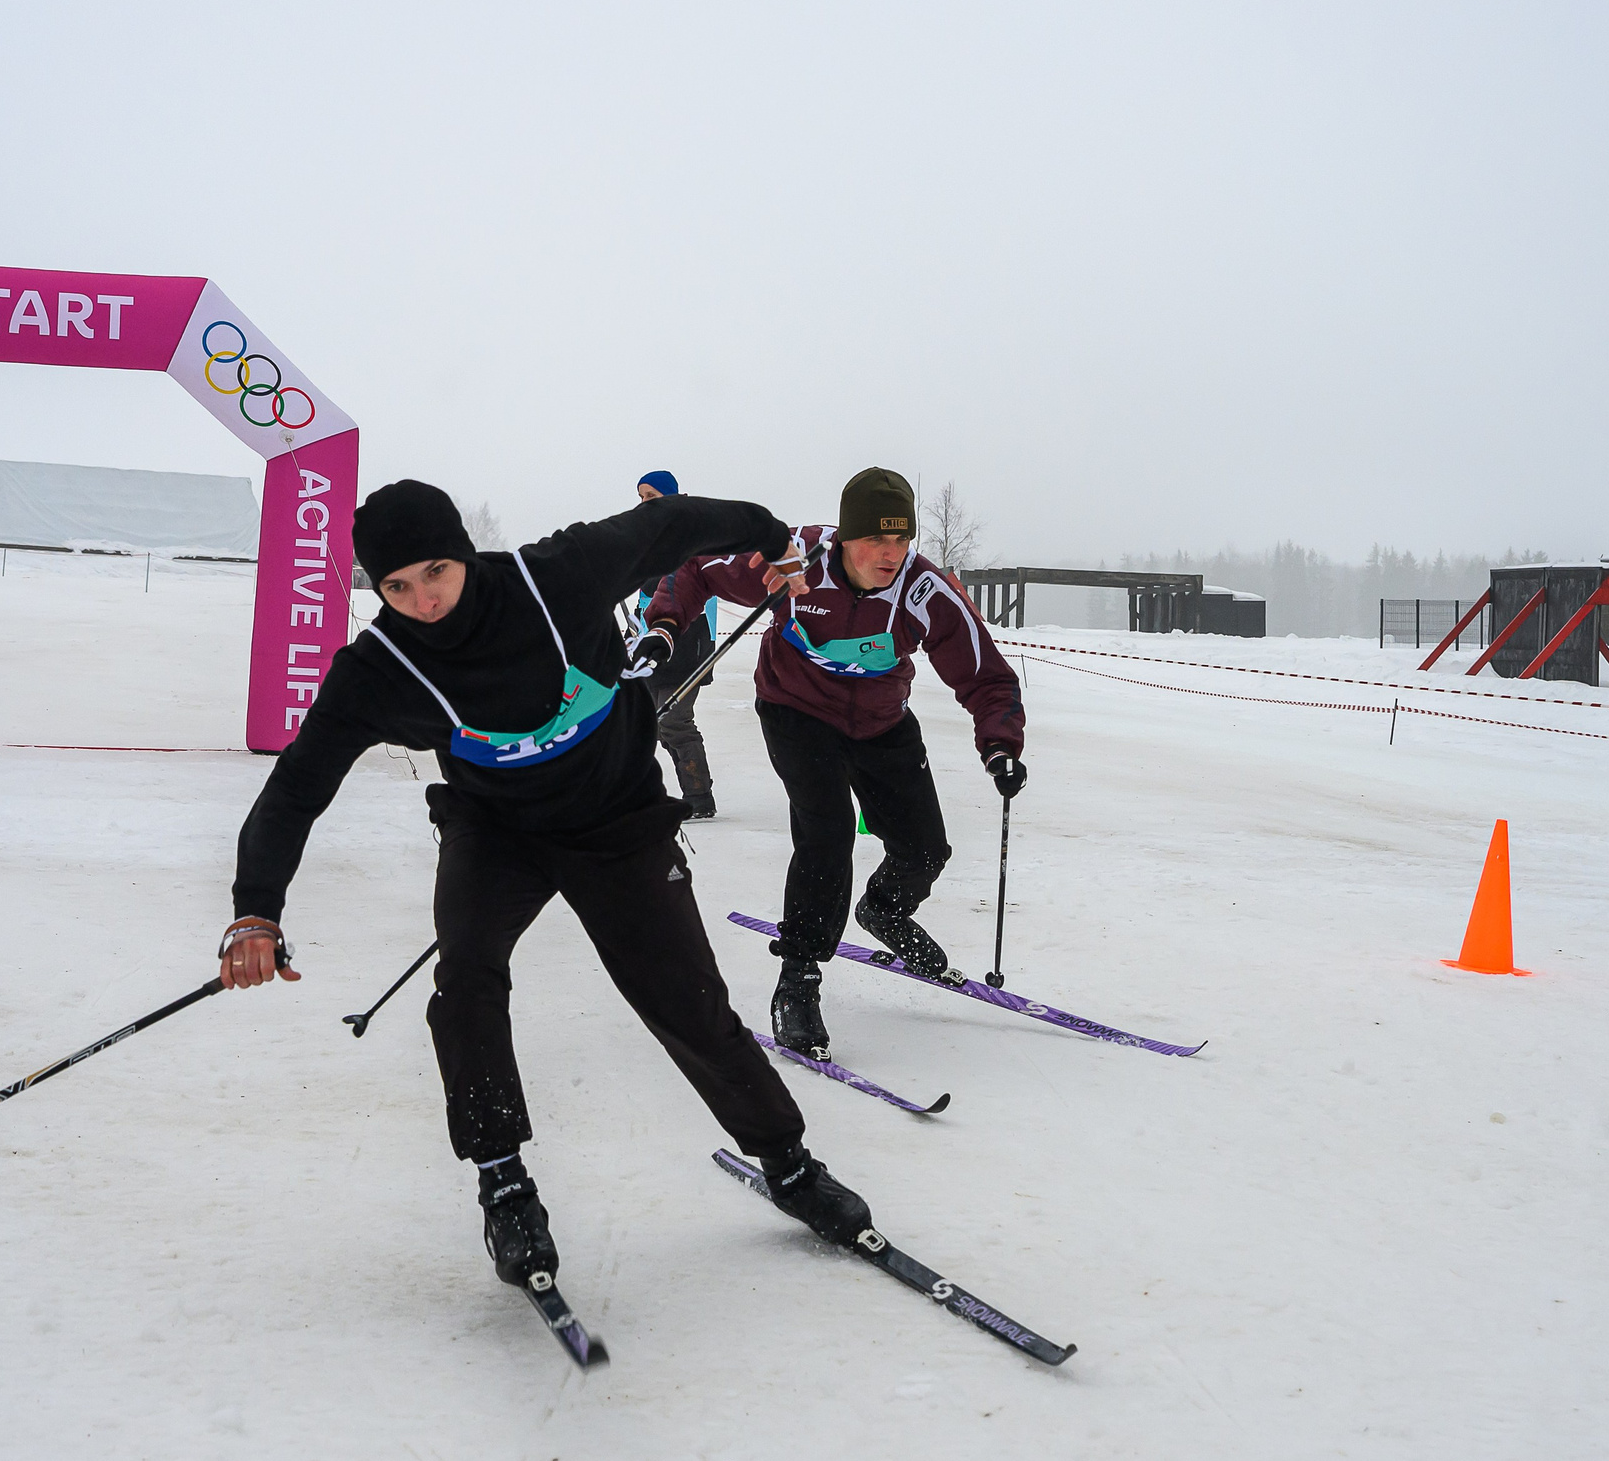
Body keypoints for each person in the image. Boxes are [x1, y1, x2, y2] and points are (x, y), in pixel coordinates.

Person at [219, 479, 874, 1295]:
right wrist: (256, 908)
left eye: (436, 572)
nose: (424, 599)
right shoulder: (379, 670)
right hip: (496, 834)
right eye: (397, 587)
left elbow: (670, 525)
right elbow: (296, 787)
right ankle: (504, 1183)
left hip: (619, 822)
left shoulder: (556, 577)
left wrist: (772, 536)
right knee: (466, 979)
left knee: (682, 998)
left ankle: (787, 1162)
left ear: (462, 552)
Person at [645, 467, 1026, 1058]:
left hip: (881, 721)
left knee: (925, 847)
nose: (890, 554)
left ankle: (885, 909)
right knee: (827, 832)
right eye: (876, 539)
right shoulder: (794, 560)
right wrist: (667, 626)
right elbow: (696, 565)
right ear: (846, 537)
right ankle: (798, 977)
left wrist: (1000, 744)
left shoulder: (923, 592)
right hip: (796, 712)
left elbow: (986, 673)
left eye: (901, 540)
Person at [622, 470, 719, 819]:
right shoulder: (651, 542)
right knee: (656, 723)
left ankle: (699, 798)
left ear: (671, 496)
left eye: (651, 496)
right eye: (641, 497)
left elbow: (703, 589)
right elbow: (646, 594)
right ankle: (680, 793)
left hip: (688, 646)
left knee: (676, 721)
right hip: (654, 647)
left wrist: (704, 645)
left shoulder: (690, 535)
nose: (645, 503)